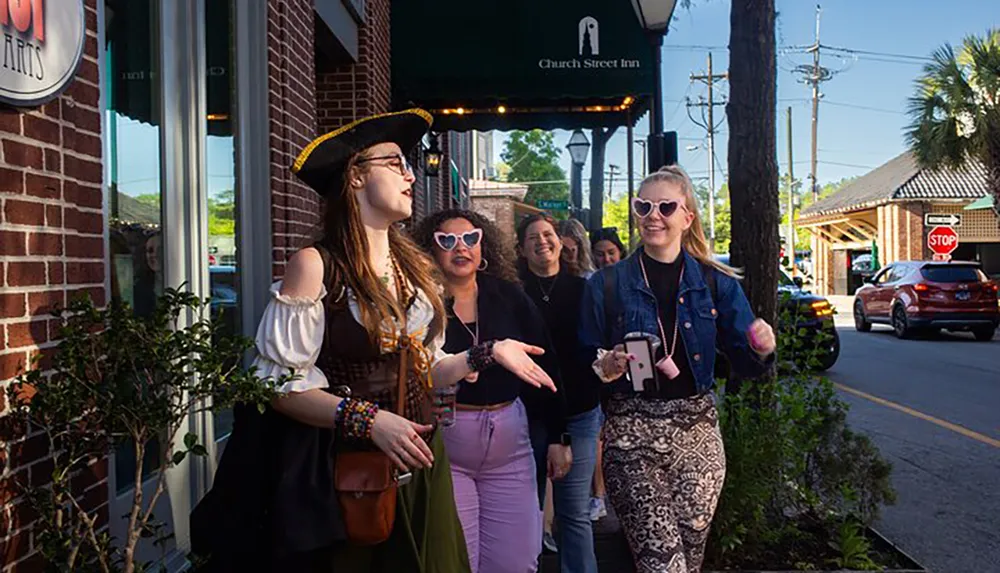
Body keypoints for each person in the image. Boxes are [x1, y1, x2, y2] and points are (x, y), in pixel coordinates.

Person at [191, 109, 556, 573]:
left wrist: (485, 353)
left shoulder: (416, 270)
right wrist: (370, 421)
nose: (408, 174)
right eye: (394, 162)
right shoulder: (315, 265)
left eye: (407, 164)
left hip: (422, 458)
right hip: (349, 471)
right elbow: (279, 387)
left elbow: (426, 365)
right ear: (356, 177)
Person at [579, 165, 776, 573]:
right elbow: (584, 359)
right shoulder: (606, 284)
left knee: (689, 557)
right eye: (643, 205)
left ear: (687, 218)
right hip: (631, 433)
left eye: (666, 206)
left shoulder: (715, 282)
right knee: (661, 562)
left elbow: (746, 363)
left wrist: (761, 347)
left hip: (698, 431)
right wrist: (605, 364)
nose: (653, 214)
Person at [414, 209, 570, 573]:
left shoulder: (508, 296)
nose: (460, 248)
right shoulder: (421, 304)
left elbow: (544, 363)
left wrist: (559, 435)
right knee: (459, 559)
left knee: (517, 560)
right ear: (431, 250)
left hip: (509, 445)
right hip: (449, 445)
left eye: (470, 239)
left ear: (484, 247)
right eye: (446, 241)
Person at [518, 213, 602, 573]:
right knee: (523, 510)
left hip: (579, 412)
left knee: (574, 513)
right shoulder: (512, 292)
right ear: (521, 249)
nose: (542, 241)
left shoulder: (582, 289)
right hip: (526, 415)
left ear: (561, 242)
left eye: (548, 234)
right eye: (533, 237)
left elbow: (596, 348)